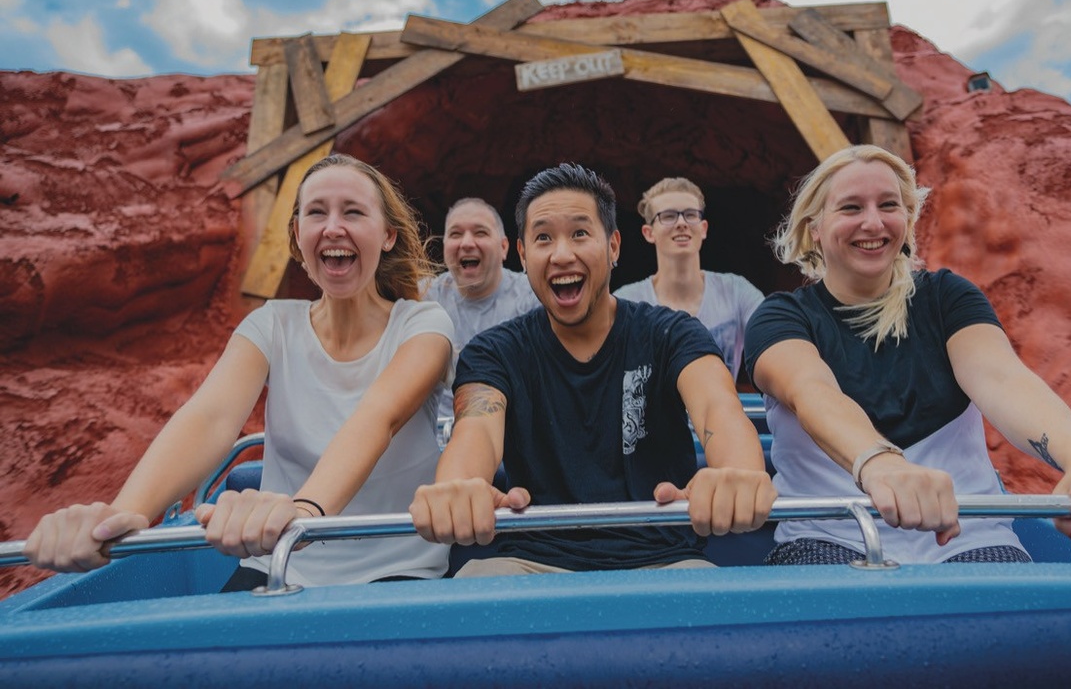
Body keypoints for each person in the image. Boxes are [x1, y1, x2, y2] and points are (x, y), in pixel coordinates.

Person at [24, 154, 455, 590]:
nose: (333, 227)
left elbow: (377, 417)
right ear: (298, 236)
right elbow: (210, 417)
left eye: (354, 212)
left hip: (397, 565)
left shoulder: (423, 324)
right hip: (279, 564)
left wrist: (302, 514)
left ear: (387, 237)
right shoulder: (272, 324)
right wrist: (123, 514)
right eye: (316, 212)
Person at [743, 144, 1071, 565]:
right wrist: (879, 463)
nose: (873, 222)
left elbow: (1002, 379)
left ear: (907, 219)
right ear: (815, 228)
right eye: (851, 208)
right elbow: (812, 390)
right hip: (833, 533)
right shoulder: (781, 316)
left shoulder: (947, 298)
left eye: (888, 205)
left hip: (969, 536)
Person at [409, 163, 776, 576]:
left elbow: (717, 409)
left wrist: (737, 474)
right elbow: (475, 430)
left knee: (713, 600)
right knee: (475, 584)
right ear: (525, 255)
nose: (562, 254)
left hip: (665, 561)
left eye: (580, 233)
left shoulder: (671, 333)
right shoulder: (495, 352)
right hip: (530, 560)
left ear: (614, 246)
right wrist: (460, 488)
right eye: (544, 237)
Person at [615, 177, 764, 381]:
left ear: (703, 228)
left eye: (690, 215)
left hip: (723, 410)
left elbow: (772, 337)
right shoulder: (626, 302)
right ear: (649, 233)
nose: (682, 223)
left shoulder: (737, 291)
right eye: (668, 216)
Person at [421, 197, 540, 420]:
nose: (467, 243)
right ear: (444, 246)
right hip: (439, 436)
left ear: (504, 247)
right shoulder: (422, 298)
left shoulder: (533, 298)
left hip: (511, 432)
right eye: (456, 234)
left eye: (480, 233)